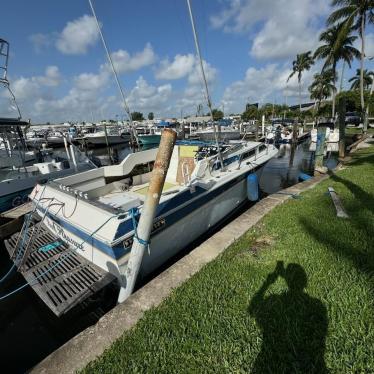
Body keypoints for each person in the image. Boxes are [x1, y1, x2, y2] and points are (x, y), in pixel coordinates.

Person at [249, 262, 328, 373]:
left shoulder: (275, 300)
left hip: (271, 361)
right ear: (305, 282)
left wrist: (267, 283)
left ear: (287, 280)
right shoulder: (317, 305)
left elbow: (252, 309)